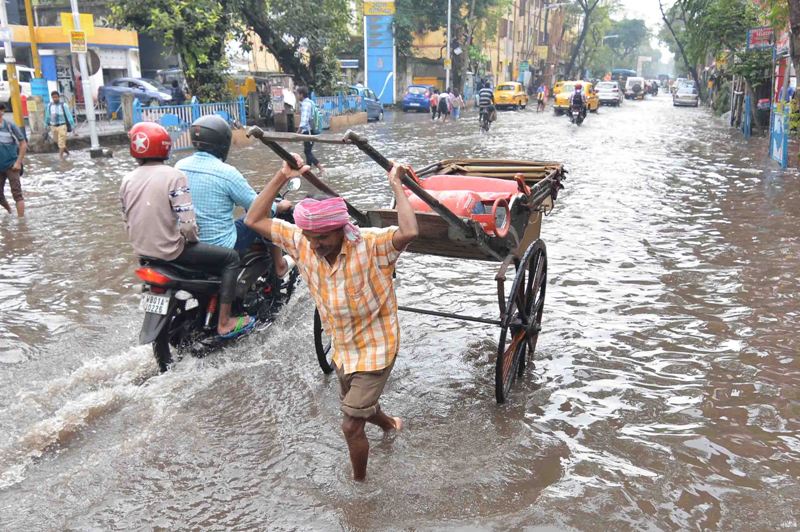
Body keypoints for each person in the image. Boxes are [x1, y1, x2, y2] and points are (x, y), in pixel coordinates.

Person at [245, 158, 419, 482]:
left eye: (322, 238)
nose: (314, 245)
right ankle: (390, 423)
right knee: (358, 405)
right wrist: (282, 174)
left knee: (351, 423)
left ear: (341, 230)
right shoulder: (303, 242)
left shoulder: (370, 245)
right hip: (343, 347)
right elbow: (254, 218)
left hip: (377, 346)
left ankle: (360, 487)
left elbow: (409, 231)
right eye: (310, 238)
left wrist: (396, 182)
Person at [120, 122, 251, 338]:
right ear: (165, 147)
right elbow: (188, 225)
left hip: (144, 254)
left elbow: (126, 218)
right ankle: (225, 322)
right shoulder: (173, 175)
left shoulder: (128, 179)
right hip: (173, 251)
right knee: (230, 258)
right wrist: (191, 240)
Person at [174, 115, 291, 276]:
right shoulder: (227, 173)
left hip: (188, 244)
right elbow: (259, 207)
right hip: (221, 247)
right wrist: (278, 206)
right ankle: (280, 265)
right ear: (223, 143)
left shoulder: (179, 166)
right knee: (264, 219)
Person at [0, 103, 27, 218]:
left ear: (2, 112)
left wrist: (18, 162)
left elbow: (23, 143)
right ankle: (10, 211)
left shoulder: (10, 126)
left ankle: (21, 223)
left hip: (12, 165)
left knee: (17, 194)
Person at [296, 85, 324, 174]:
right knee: (308, 151)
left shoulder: (305, 104)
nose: (297, 96)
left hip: (308, 131)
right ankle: (308, 170)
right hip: (311, 130)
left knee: (307, 151)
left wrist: (298, 132)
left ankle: (320, 168)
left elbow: (304, 120)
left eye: (297, 94)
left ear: (301, 95)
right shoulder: (310, 102)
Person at [44, 91, 75, 159]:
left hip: (62, 125)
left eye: (56, 97)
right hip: (53, 126)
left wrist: (72, 125)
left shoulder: (63, 105)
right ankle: (68, 153)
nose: (55, 99)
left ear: (59, 97)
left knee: (61, 142)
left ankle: (60, 158)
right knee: (57, 142)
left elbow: (69, 115)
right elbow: (47, 116)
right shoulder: (49, 106)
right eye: (53, 97)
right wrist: (46, 124)